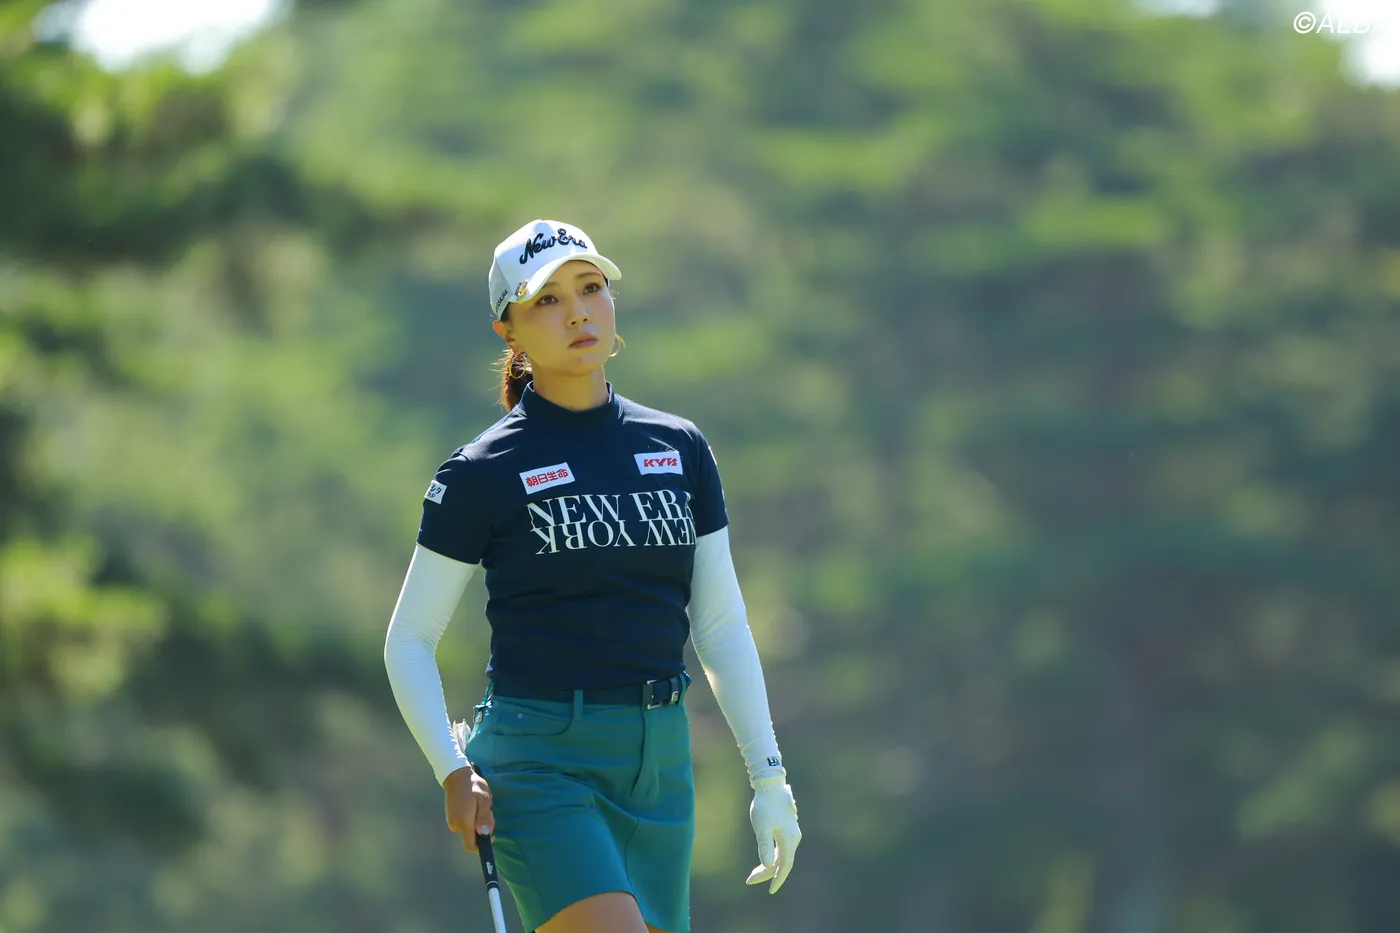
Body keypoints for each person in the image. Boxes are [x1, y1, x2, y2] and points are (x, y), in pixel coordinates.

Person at [383, 219, 801, 933]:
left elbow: (719, 624)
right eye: (547, 300)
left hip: (660, 763)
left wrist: (769, 778)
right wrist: (451, 768)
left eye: (591, 287)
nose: (577, 312)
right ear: (508, 330)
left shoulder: (680, 447)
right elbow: (410, 637)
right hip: (539, 761)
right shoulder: (482, 471)